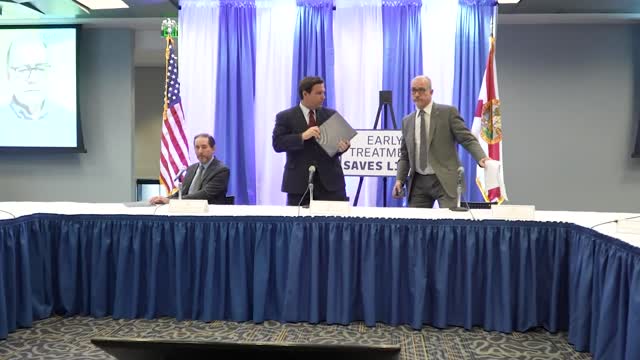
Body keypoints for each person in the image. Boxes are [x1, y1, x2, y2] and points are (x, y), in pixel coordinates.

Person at [393, 75, 490, 208]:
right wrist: (399, 180)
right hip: (418, 182)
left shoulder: (448, 113)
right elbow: (404, 156)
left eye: (421, 90)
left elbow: (466, 138)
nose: (417, 94)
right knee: (416, 225)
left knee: (449, 223)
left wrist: (481, 157)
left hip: (445, 180)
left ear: (431, 92)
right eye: (413, 90)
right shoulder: (407, 121)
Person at [272, 76, 351, 206]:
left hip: (331, 185)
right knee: (299, 225)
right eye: (319, 93)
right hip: (299, 185)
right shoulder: (285, 117)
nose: (323, 97)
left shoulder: (331, 115)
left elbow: (336, 147)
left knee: (333, 225)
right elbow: (277, 144)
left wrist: (343, 147)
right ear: (305, 93)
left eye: (324, 92)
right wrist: (302, 136)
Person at [0, 34, 76, 147]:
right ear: (8, 75)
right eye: (22, 69)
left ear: (50, 72)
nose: (32, 79)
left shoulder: (69, 120)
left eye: (40, 68)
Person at [149, 133, 230, 205]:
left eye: (204, 147)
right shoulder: (191, 168)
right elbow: (182, 192)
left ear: (213, 148)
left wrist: (171, 201)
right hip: (186, 212)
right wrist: (163, 199)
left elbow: (204, 195)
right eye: (197, 147)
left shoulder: (221, 170)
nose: (200, 151)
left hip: (209, 217)